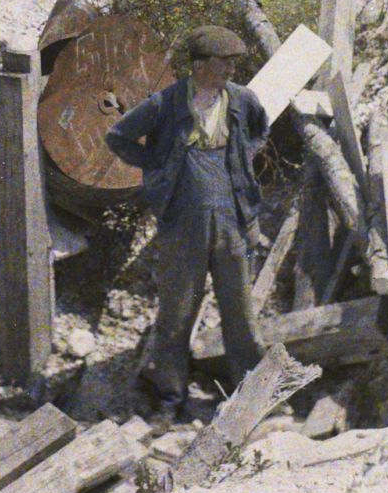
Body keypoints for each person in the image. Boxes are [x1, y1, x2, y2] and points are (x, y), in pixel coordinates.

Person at [104, 23, 271, 426]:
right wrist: (156, 165)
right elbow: (118, 136)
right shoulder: (164, 104)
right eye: (222, 62)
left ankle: (251, 397)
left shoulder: (242, 100)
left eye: (234, 62)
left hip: (231, 220)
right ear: (198, 65)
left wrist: (241, 161)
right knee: (177, 314)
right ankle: (169, 399)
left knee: (240, 314)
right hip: (182, 223)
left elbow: (260, 130)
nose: (231, 69)